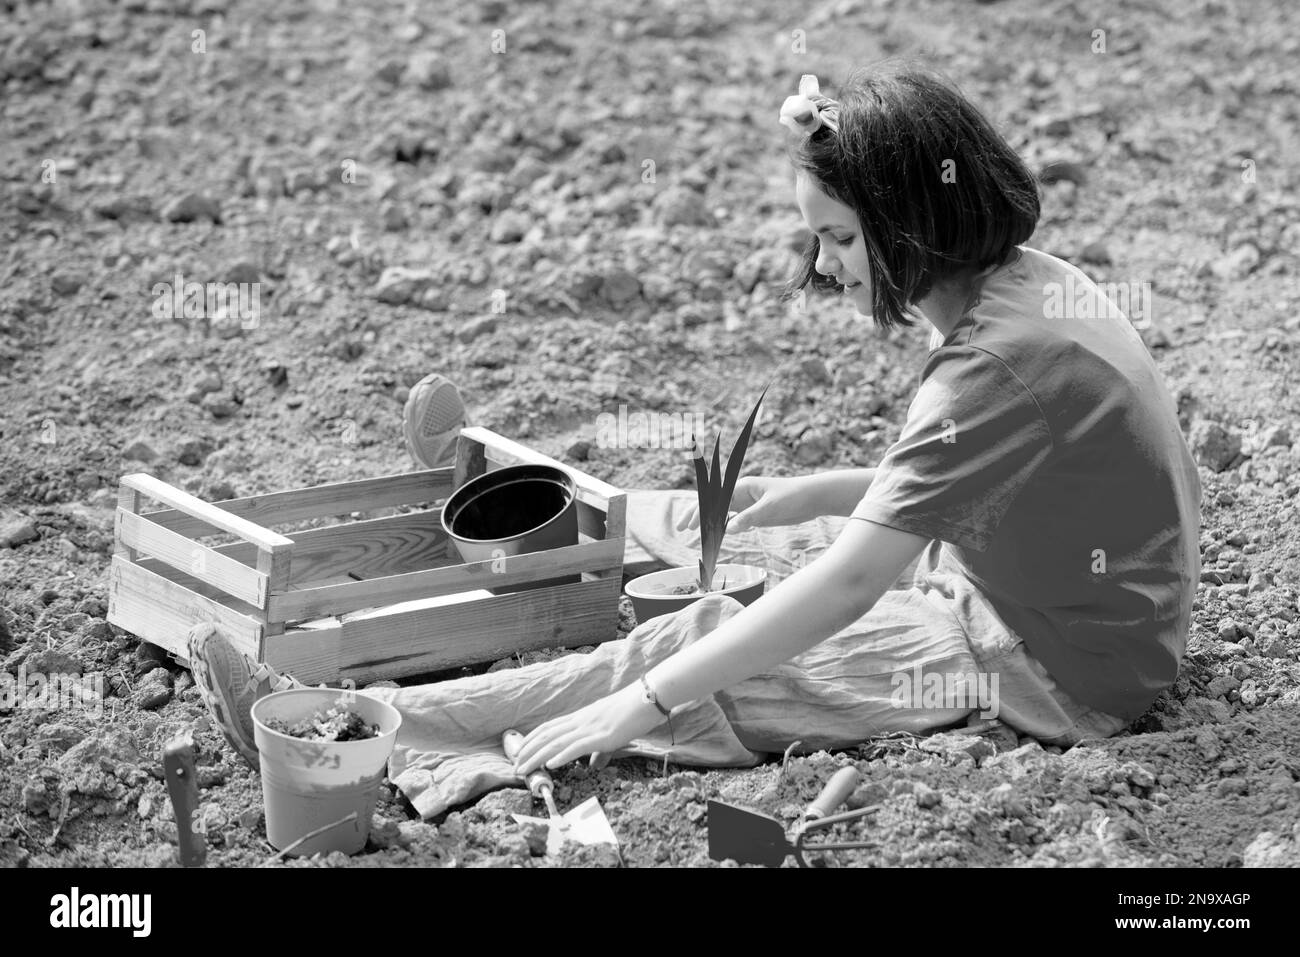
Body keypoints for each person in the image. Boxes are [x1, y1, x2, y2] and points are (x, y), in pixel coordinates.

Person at [189, 65, 1200, 805]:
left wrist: (643, 702)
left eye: (840, 239)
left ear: (910, 225)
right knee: (739, 566)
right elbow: (1009, 468)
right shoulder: (1032, 287)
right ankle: (388, 710)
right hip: (1082, 607)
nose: (821, 267)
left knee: (708, 649)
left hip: (1050, 662)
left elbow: (853, 581)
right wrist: (818, 493)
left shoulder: (989, 366)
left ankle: (358, 736)